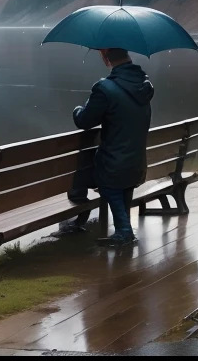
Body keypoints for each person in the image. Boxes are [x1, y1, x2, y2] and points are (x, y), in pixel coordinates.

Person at [56, 47, 155, 246]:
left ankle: (122, 231)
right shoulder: (144, 85)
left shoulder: (105, 88)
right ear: (128, 55)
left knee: (90, 177)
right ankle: (120, 227)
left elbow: (84, 120)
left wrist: (78, 109)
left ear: (105, 57)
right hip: (135, 161)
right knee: (118, 184)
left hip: (112, 164)